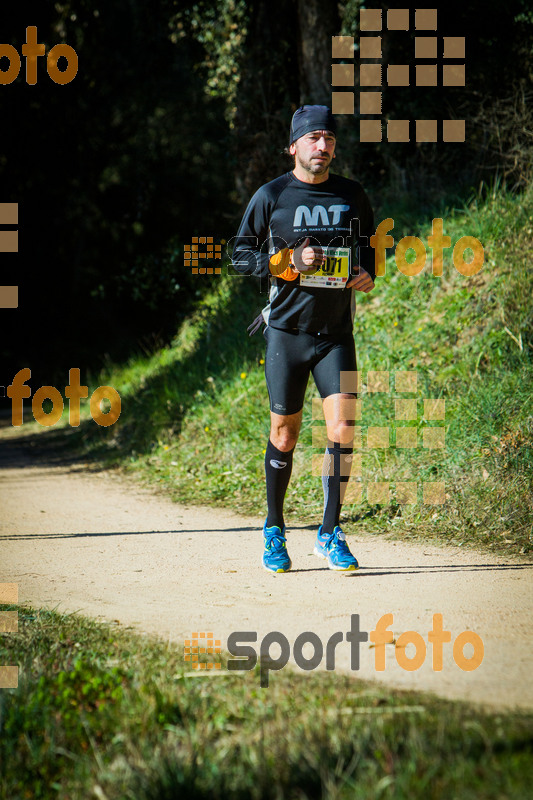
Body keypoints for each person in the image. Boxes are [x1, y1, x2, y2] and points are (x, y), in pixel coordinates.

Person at [231, 105, 376, 573]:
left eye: (329, 138)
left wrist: (367, 272)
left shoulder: (353, 195)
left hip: (336, 336)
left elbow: (369, 243)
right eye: (313, 138)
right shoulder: (271, 196)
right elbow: (240, 256)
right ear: (293, 146)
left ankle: (330, 531)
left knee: (342, 430)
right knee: (285, 433)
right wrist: (288, 262)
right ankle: (274, 529)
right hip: (286, 335)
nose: (323, 146)